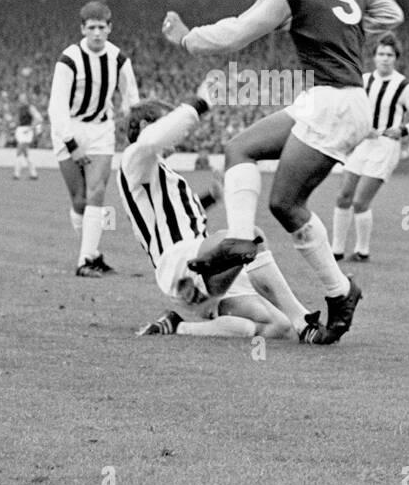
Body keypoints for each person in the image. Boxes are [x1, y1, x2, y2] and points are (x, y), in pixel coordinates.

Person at [161, 0, 403, 342]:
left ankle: (341, 291)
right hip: (330, 99)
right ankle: (239, 239)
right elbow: (392, 13)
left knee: (286, 204)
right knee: (240, 148)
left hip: (335, 102)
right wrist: (343, 28)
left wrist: (187, 39)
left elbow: (236, 34)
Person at [119, 85, 332, 343]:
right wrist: (199, 103)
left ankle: (178, 327)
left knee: (279, 326)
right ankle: (304, 319)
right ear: (144, 125)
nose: (180, 133)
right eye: (168, 122)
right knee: (249, 237)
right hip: (179, 260)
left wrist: (212, 196)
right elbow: (152, 140)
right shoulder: (134, 158)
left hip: (198, 267)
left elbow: (176, 216)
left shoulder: (155, 172)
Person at [49, 1, 140, 277]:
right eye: (92, 28)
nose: (97, 33)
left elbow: (131, 99)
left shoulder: (119, 60)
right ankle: (92, 252)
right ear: (82, 29)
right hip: (70, 129)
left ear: (110, 28)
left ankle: (85, 261)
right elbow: (57, 107)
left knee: (97, 191)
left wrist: (136, 128)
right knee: (79, 199)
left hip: (101, 130)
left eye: (102, 27)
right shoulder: (69, 59)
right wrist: (72, 145)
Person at [331, 33, 409, 262]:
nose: (385, 59)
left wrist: (402, 130)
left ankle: (362, 251)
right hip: (363, 144)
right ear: (374, 57)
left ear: (396, 59)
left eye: (390, 55)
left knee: (360, 201)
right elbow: (350, 109)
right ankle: (335, 251)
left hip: (385, 147)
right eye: (381, 54)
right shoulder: (364, 81)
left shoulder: (404, 86)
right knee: (343, 196)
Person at [12, 93, 43, 180]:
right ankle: (33, 173)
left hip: (26, 130)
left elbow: (39, 119)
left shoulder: (30, 107)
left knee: (19, 149)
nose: (20, 99)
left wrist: (31, 128)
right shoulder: (20, 108)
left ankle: (16, 173)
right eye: (20, 98)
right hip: (21, 130)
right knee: (25, 153)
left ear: (26, 99)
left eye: (22, 98)